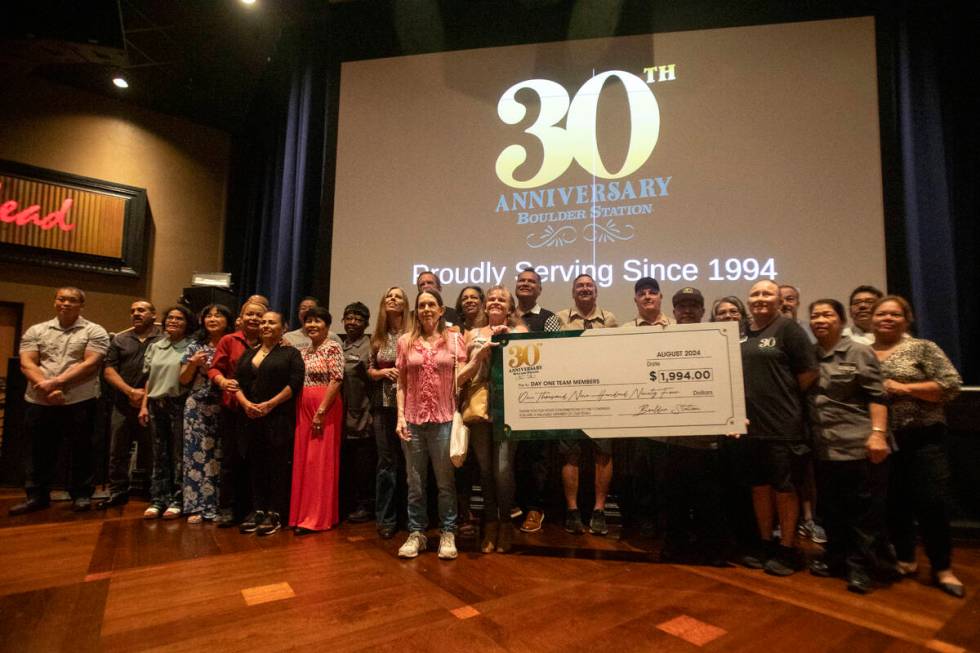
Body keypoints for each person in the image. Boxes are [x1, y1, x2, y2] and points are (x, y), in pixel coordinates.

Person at [871, 295, 965, 597]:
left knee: (932, 503)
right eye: (881, 314)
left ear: (906, 319)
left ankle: (942, 568)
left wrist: (905, 388)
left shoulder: (922, 348)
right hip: (883, 441)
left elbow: (951, 385)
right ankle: (906, 558)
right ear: (872, 320)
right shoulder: (862, 352)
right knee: (894, 504)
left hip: (923, 439)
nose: (887, 318)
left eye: (894, 314)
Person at [806, 299, 892, 594]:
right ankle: (836, 559)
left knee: (863, 513)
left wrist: (878, 434)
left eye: (827, 315)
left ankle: (861, 568)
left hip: (859, 445)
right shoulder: (808, 355)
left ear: (841, 321)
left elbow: (877, 396)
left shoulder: (858, 351)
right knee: (831, 510)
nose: (820, 320)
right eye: (815, 315)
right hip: (824, 448)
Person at [737, 280, 818, 576]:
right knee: (760, 488)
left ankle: (787, 547)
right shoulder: (742, 332)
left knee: (785, 490)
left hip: (783, 426)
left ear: (778, 300)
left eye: (766, 294)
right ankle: (765, 543)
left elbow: (808, 374)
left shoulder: (789, 330)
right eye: (755, 294)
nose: (760, 299)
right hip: (750, 427)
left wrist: (780, 398)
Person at [10, 287, 110, 515]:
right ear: (55, 302)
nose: (66, 303)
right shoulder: (37, 330)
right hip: (39, 399)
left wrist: (55, 384)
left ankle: (81, 495)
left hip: (79, 399)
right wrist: (46, 387)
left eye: (72, 300)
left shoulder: (94, 331)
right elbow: (28, 363)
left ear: (81, 305)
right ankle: (36, 496)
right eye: (61, 299)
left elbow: (90, 363)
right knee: (38, 450)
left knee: (81, 449)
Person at [657, 287, 729, 565]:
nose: (687, 310)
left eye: (693, 306)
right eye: (682, 306)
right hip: (672, 438)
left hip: (709, 438)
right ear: (674, 311)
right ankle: (674, 546)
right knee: (674, 498)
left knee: (709, 499)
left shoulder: (717, 339)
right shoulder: (661, 338)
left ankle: (711, 550)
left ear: (702, 311)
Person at [396, 289, 468, 560]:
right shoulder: (405, 341)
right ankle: (417, 533)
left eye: (431, 305)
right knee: (414, 483)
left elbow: (462, 378)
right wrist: (400, 417)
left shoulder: (454, 340)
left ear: (441, 310)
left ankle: (448, 531)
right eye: (421, 305)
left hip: (444, 420)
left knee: (445, 483)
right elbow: (401, 384)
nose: (426, 309)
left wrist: (479, 357)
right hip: (412, 421)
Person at [464, 285, 527, 553]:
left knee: (503, 469)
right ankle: (490, 523)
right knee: (486, 470)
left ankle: (505, 524)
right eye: (491, 299)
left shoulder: (520, 331)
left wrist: (507, 338)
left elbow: (527, 364)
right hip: (478, 406)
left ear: (510, 307)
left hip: (509, 408)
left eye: (502, 299)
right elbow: (466, 371)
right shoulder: (472, 334)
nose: (495, 302)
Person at [557, 274, 617, 535]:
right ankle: (572, 511)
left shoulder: (611, 320)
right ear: (572, 292)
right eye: (579, 286)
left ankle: (599, 510)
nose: (584, 289)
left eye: (589, 286)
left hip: (603, 396)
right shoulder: (557, 319)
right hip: (568, 396)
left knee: (603, 453)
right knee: (570, 454)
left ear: (596, 291)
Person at [236, 311, 305, 536]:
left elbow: (294, 384)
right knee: (256, 464)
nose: (265, 325)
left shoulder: (291, 353)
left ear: (283, 327)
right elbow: (238, 383)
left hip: (278, 418)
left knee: (277, 465)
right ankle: (258, 509)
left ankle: (275, 513)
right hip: (250, 417)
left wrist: (270, 404)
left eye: (271, 322)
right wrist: (246, 404)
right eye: (263, 322)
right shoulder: (248, 353)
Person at [208, 300, 267, 527]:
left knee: (256, 460)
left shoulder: (272, 342)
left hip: (260, 410)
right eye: (249, 314)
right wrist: (222, 381)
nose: (254, 319)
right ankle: (228, 508)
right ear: (241, 318)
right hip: (232, 408)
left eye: (258, 316)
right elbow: (214, 368)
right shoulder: (228, 340)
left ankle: (254, 509)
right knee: (231, 459)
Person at [99, 299, 162, 509]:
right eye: (133, 311)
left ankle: (154, 492)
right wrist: (130, 391)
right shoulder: (119, 340)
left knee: (153, 449)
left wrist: (144, 395)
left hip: (152, 403)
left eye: (142, 310)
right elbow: (108, 370)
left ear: (154, 315)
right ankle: (117, 491)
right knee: (118, 450)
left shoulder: (162, 339)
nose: (136, 313)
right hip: (122, 403)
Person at [513, 266, 561, 534]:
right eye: (521, 280)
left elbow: (555, 354)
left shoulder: (549, 318)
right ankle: (514, 504)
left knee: (538, 456)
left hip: (539, 397)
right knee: (513, 456)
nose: (526, 284)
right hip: (508, 398)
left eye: (532, 281)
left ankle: (535, 508)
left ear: (540, 289)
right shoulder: (505, 316)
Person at [290, 306, 344, 533]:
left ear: (327, 326)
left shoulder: (333, 348)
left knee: (319, 462)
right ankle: (301, 515)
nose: (312, 325)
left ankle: (317, 517)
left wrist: (321, 411)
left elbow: (337, 379)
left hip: (325, 407)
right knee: (304, 461)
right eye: (308, 321)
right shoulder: (304, 352)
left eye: (317, 321)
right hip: (304, 407)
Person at [139, 305, 195, 519]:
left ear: (187, 323)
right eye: (170, 318)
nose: (173, 321)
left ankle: (178, 499)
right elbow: (148, 379)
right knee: (158, 453)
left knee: (178, 454)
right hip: (155, 404)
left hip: (178, 403)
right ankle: (158, 499)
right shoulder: (155, 346)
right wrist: (144, 405)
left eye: (179, 318)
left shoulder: (190, 346)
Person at [180, 304, 234, 524]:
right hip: (198, 405)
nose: (212, 319)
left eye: (218, 315)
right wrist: (193, 364)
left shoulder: (233, 343)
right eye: (208, 316)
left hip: (225, 404)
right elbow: (183, 379)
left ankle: (222, 505)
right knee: (196, 455)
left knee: (222, 455)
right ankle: (198, 505)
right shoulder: (195, 346)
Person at [368, 287, 410, 539]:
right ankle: (386, 519)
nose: (392, 299)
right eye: (388, 296)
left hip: (410, 407)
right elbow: (369, 369)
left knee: (410, 464)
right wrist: (382, 373)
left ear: (406, 304)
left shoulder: (413, 334)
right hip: (383, 407)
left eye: (398, 296)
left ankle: (409, 517)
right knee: (386, 463)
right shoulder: (378, 336)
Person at [340, 302, 375, 523]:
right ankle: (347, 503)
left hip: (361, 414)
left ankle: (364, 504)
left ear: (366, 324)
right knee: (346, 463)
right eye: (349, 318)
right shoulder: (337, 344)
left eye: (358, 319)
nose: (353, 322)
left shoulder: (369, 346)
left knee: (362, 464)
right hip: (338, 415)